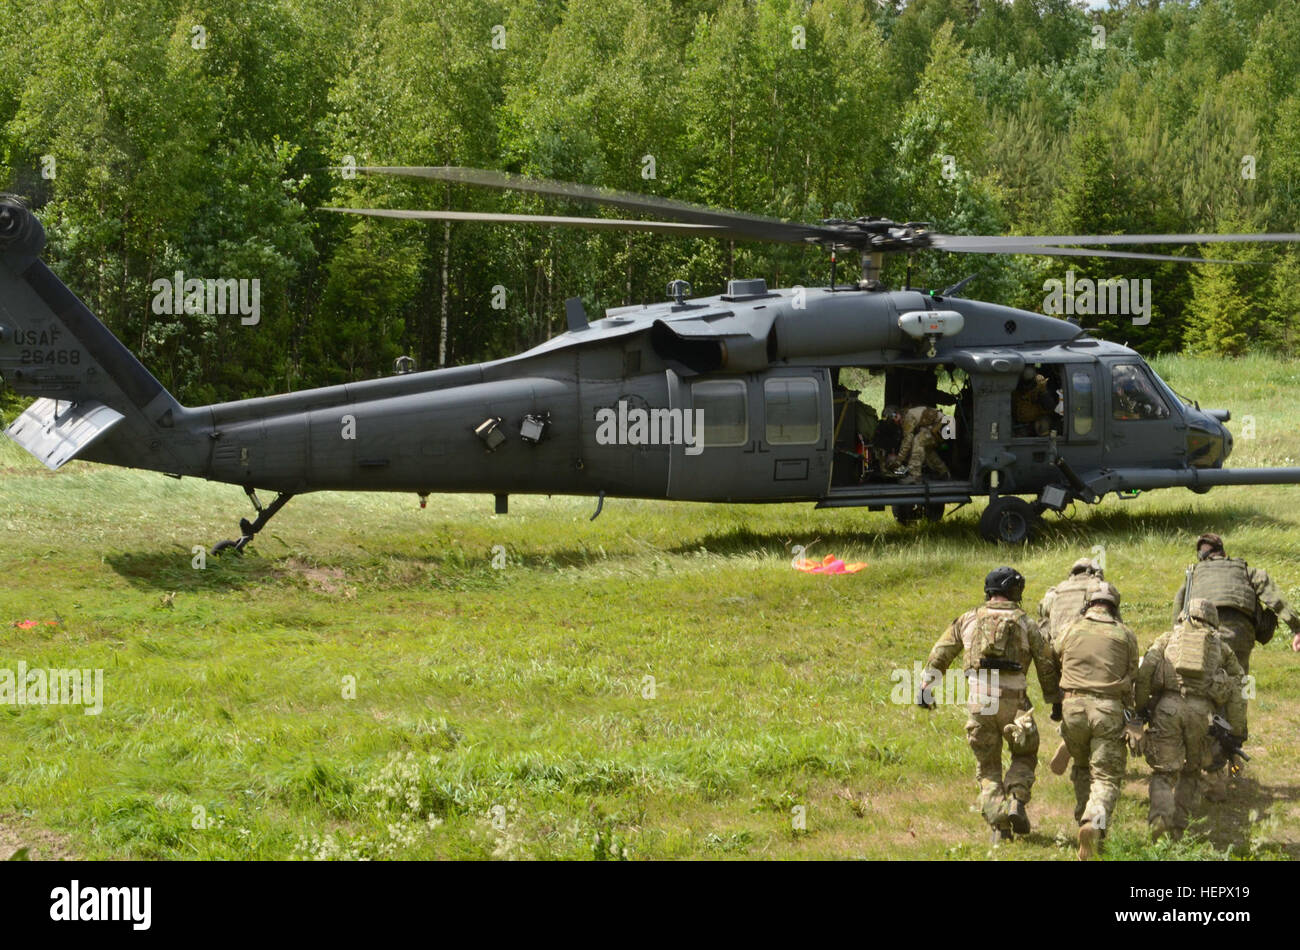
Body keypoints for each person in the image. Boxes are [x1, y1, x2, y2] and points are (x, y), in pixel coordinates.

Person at [919, 567, 1061, 840]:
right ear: (1013, 591)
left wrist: (927, 688)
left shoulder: (967, 619)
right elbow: (1045, 665)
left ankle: (998, 823)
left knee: (987, 767)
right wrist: (1054, 701)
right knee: (1024, 754)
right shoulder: (1026, 623)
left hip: (980, 703)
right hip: (1016, 704)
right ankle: (1017, 798)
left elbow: (941, 654)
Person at [1134, 599, 1247, 841]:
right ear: (1213, 621)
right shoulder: (1222, 648)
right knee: (1191, 771)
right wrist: (1237, 731)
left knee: (1163, 772)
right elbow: (1237, 690)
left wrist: (1142, 708)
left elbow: (1144, 674)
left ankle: (1160, 818)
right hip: (1202, 714)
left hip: (1167, 709)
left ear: (1185, 616)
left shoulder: (1166, 638)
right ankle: (1178, 827)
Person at [1050, 581, 1139, 859]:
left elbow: (1052, 658)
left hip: (1073, 708)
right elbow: (1132, 677)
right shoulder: (1125, 634)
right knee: (1106, 778)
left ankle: (1083, 820)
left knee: (1081, 766)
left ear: (1088, 603)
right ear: (1115, 606)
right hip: (1107, 710)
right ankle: (1093, 822)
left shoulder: (1070, 630)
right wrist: (1134, 721)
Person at [1038, 557, 1106, 644]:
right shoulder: (1098, 587)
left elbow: (1042, 610)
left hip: (1057, 646)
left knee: (1044, 621)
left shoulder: (1058, 589)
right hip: (1085, 644)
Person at [897, 405, 950, 483]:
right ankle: (943, 471)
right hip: (946, 427)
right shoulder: (912, 413)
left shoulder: (908, 417)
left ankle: (914, 475)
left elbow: (907, 441)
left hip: (941, 427)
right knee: (927, 449)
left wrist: (898, 460)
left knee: (918, 441)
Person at [1012, 367, 1055, 436]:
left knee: (1044, 425)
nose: (1027, 385)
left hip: (1036, 420)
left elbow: (1050, 406)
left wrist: (1043, 392)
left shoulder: (1040, 389)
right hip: (1020, 424)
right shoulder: (1015, 391)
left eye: (1029, 382)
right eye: (1025, 382)